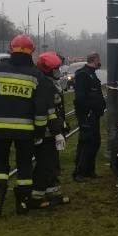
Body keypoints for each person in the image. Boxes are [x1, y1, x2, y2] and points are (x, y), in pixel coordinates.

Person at [0, 34, 49, 216]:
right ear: (31, 52)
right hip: (26, 132)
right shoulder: (36, 75)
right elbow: (41, 109)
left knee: (0, 164)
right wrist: (40, 132)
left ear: (10, 49)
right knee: (24, 165)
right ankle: (22, 204)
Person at [30, 51, 69, 208]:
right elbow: (49, 111)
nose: (58, 72)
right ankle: (36, 196)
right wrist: (56, 132)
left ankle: (53, 192)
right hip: (46, 132)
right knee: (45, 164)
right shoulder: (44, 86)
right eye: (55, 69)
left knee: (53, 163)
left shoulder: (51, 83)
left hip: (52, 130)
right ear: (47, 70)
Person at [73, 52, 106, 182]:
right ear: (95, 59)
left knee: (95, 142)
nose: (100, 62)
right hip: (87, 115)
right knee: (86, 142)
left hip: (94, 114)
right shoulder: (83, 74)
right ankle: (79, 173)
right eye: (99, 59)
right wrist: (88, 110)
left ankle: (90, 170)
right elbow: (80, 97)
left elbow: (96, 93)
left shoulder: (91, 73)